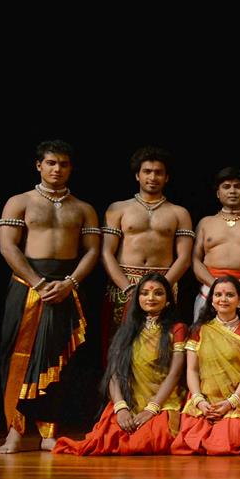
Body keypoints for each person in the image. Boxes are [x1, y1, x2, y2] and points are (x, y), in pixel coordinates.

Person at [0, 139, 101, 453]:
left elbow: (93, 251)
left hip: (66, 286)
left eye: (64, 164)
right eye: (51, 163)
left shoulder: (83, 208)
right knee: (17, 358)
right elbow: (8, 247)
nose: (57, 169)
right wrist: (38, 283)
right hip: (28, 286)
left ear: (71, 168)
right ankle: (14, 431)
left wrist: (70, 282)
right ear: (38, 165)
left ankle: (49, 431)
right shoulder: (20, 202)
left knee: (59, 360)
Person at [53, 273, 186, 455]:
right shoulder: (127, 330)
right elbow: (114, 373)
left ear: (168, 300)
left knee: (149, 441)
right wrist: (121, 407)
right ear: (137, 297)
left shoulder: (177, 329)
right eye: (145, 293)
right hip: (129, 402)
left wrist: (151, 409)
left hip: (163, 402)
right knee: (109, 440)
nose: (151, 298)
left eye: (158, 293)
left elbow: (175, 374)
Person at [99, 147, 193, 351]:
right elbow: (106, 253)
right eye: (147, 171)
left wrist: (162, 288)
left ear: (167, 177)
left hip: (165, 282)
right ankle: (117, 383)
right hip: (124, 282)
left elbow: (184, 258)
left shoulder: (179, 213)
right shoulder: (118, 208)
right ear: (137, 175)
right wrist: (128, 288)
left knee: (160, 343)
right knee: (118, 342)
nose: (153, 177)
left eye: (158, 172)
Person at [172, 275, 240, 456]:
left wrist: (231, 401)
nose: (223, 299)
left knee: (223, 445)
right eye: (218, 294)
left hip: (236, 400)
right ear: (211, 300)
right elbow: (192, 369)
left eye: (229, 295)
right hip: (204, 399)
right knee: (188, 444)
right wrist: (199, 401)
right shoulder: (199, 330)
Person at [192, 166, 240, 325]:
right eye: (226, 187)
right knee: (203, 340)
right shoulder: (206, 223)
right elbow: (194, 260)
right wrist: (215, 286)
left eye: (237, 186)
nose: (232, 191)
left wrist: (238, 285)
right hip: (209, 289)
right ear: (218, 193)